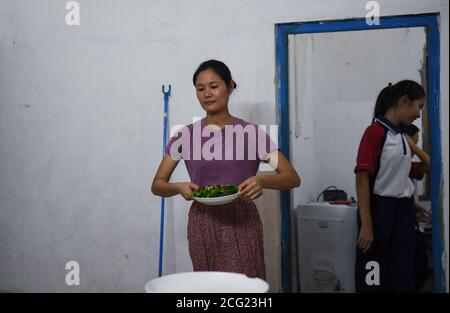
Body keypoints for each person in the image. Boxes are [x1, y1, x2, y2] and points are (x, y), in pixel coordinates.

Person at [151, 59, 301, 279]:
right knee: (208, 286)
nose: (207, 94)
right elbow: (157, 185)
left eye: (214, 86)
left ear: (230, 87)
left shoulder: (251, 133)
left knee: (244, 287)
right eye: (200, 89)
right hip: (201, 221)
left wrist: (262, 181)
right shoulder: (185, 135)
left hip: (240, 219)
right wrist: (178, 187)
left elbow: (292, 177)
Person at [354, 80, 428, 292]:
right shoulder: (375, 132)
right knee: (374, 271)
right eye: (418, 107)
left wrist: (411, 205)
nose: (418, 114)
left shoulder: (402, 137)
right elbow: (362, 178)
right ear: (404, 101)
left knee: (401, 272)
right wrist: (367, 223)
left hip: (402, 211)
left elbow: (401, 176)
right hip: (379, 211)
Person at [403, 124, 432, 292]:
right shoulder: (395, 165)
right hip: (403, 227)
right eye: (414, 143)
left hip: (411, 223)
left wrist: (416, 208)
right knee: (416, 270)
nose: (416, 149)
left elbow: (429, 165)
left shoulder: (407, 166)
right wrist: (408, 144)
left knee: (420, 269)